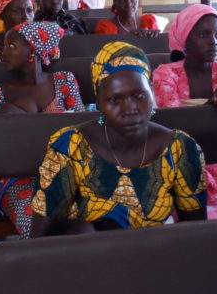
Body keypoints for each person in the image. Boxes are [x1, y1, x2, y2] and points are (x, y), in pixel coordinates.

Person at [30, 41, 207, 236]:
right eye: (114, 99)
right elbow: (41, 235)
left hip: (155, 255)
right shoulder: (70, 146)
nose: (129, 109)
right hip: (87, 258)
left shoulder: (180, 148)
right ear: (98, 102)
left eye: (138, 95)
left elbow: (195, 233)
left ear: (151, 92)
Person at [0, 21, 86, 239]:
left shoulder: (64, 81)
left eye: (11, 46)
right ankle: (42, 268)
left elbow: (83, 127)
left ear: (33, 49)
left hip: (67, 171)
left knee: (88, 221)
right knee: (35, 224)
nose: (3, 52)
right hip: (17, 178)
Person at [152, 4, 217, 219]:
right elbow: (177, 127)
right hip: (187, 160)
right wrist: (214, 109)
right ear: (185, 39)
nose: (213, 41)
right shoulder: (166, 75)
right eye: (204, 34)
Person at [94, 0, 160, 37]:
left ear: (138, 1)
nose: (128, 5)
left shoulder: (148, 23)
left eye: (133, 0)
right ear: (115, 3)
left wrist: (153, 36)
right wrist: (130, 36)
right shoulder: (106, 28)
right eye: (122, 1)